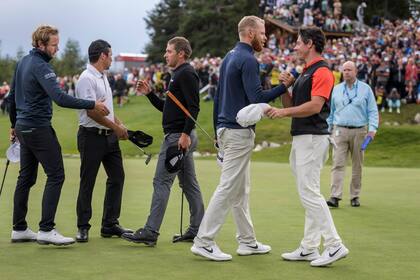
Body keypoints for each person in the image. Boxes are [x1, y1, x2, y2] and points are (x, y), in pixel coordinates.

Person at [191, 16, 294, 262]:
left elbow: (217, 99)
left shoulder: (228, 57)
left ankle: (247, 242)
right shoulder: (248, 59)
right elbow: (257, 96)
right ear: (249, 33)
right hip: (238, 132)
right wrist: (284, 86)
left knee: (240, 190)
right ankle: (204, 241)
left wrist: (217, 132)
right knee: (229, 186)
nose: (265, 37)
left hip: (227, 130)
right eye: (262, 32)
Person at [8, 25, 109, 246]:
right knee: (56, 175)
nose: (57, 49)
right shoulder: (41, 66)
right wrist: (92, 103)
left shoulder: (23, 62)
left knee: (26, 177)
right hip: (38, 128)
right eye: (54, 45)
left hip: (24, 128)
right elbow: (60, 98)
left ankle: (20, 228)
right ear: (41, 44)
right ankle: (46, 229)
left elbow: (11, 98)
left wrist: (14, 126)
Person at [266, 27, 349, 267]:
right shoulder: (306, 72)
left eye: (298, 43)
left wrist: (282, 112)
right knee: (309, 191)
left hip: (313, 139)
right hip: (303, 137)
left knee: (309, 193)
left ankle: (334, 245)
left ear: (310, 44)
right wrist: (287, 88)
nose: (294, 47)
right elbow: (295, 103)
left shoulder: (322, 71)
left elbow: (314, 106)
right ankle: (309, 247)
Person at [121, 37, 205, 246]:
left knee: (161, 182)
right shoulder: (177, 75)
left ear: (181, 53)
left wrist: (185, 135)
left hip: (178, 138)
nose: (165, 54)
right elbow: (167, 108)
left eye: (169, 51)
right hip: (180, 136)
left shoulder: (186, 73)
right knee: (189, 184)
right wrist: (150, 94)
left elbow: (194, 108)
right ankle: (197, 230)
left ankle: (150, 231)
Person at [74, 40, 133, 243]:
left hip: (109, 137)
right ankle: (82, 226)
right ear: (102, 56)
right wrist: (115, 128)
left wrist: (120, 124)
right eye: (110, 54)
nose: (112, 58)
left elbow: (107, 108)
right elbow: (92, 112)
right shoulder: (86, 78)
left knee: (117, 177)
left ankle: (109, 224)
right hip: (91, 136)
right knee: (87, 181)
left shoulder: (103, 76)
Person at [325, 61, 379, 208]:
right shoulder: (336, 89)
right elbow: (332, 112)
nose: (346, 72)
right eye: (344, 70)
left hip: (360, 131)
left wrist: (373, 128)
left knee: (357, 165)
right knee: (337, 164)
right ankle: (335, 196)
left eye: (349, 70)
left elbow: (373, 111)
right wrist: (327, 129)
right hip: (339, 130)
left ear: (355, 72)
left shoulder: (365, 89)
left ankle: (355, 196)